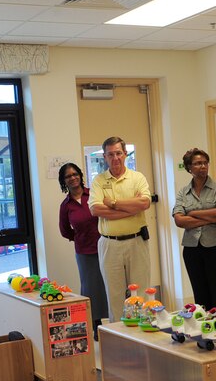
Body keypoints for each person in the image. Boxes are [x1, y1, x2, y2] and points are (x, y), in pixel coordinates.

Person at [88, 136, 151, 323]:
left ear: (125, 154)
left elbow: (145, 202)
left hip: (136, 241)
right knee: (114, 294)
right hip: (109, 244)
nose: (115, 158)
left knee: (139, 291)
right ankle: (119, 339)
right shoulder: (99, 181)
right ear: (104, 157)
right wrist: (131, 209)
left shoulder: (137, 177)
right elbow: (95, 209)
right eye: (110, 154)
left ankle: (141, 337)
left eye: (118, 153)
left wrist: (113, 204)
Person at [172, 148, 216, 310]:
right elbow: (179, 220)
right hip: (192, 249)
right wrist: (210, 218)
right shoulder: (183, 192)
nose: (203, 166)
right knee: (200, 293)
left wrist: (193, 213)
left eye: (205, 163)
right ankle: (204, 329)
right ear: (189, 168)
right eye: (198, 163)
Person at [58, 163, 108, 340]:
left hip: (105, 244)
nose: (72, 178)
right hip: (84, 251)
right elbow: (64, 230)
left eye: (75, 174)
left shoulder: (93, 194)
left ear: (80, 175)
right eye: (68, 176)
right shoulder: (66, 205)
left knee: (110, 282)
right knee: (91, 287)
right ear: (64, 181)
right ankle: (96, 324)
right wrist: (78, 237)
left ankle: (117, 321)